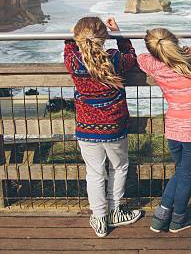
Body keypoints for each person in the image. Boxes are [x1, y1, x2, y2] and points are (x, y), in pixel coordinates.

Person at [64, 16, 142, 237]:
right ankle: (115, 211)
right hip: (115, 126)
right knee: (118, 167)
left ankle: (99, 218)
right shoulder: (116, 60)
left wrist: (72, 36)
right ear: (104, 37)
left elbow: (68, 49)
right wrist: (119, 34)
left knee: (94, 172)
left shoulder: (74, 62)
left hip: (87, 128)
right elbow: (131, 56)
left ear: (78, 38)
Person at [137, 28, 191, 233]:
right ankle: (177, 219)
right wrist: (182, 50)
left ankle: (161, 217)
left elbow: (140, 58)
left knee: (182, 171)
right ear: (174, 40)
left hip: (174, 129)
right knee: (185, 174)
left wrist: (160, 52)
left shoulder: (157, 66)